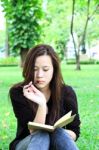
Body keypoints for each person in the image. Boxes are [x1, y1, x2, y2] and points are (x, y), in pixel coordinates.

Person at [9, 44, 81, 150]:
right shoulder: (18, 92)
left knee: (59, 132)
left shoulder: (67, 92)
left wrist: (56, 133)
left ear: (54, 70)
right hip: (26, 144)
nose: (39, 75)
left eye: (45, 69)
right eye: (34, 69)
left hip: (55, 144)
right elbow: (34, 132)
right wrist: (42, 104)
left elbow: (74, 131)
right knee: (41, 134)